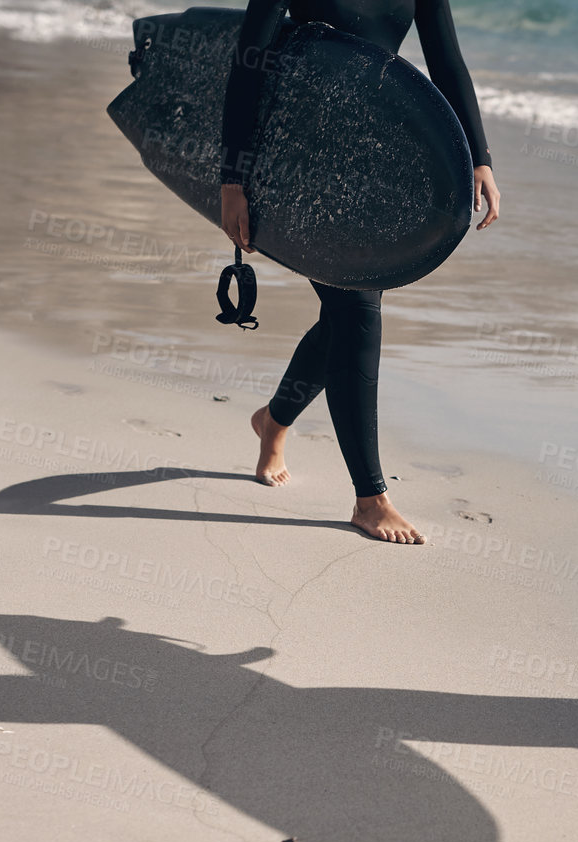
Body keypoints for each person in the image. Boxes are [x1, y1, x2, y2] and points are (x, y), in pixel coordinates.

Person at [218, 0, 501, 543]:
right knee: (356, 310)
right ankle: (370, 498)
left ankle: (273, 421)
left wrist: (479, 158)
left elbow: (447, 63)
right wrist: (234, 178)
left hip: (371, 153)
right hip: (298, 152)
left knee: (344, 315)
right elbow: (248, 57)